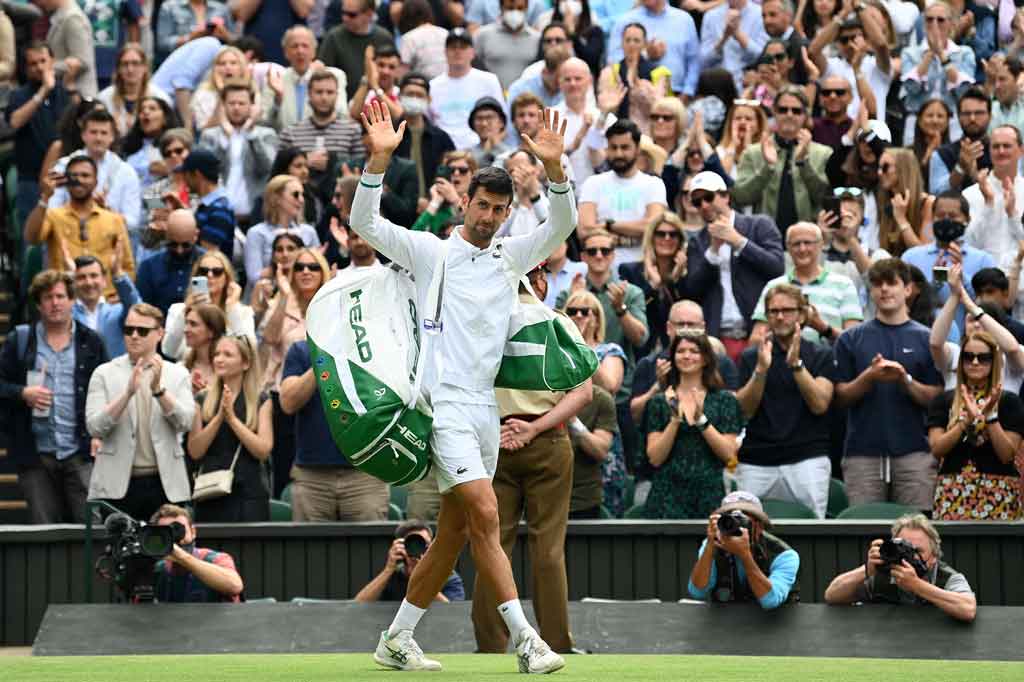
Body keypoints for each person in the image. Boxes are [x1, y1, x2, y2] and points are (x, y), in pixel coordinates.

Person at [354, 101, 572, 673]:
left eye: (500, 209)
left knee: (453, 532)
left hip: (485, 410)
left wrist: (555, 171)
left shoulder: (511, 255)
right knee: (485, 513)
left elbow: (563, 223)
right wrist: (378, 160)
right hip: (443, 406)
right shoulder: (431, 251)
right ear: (465, 201)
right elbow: (366, 225)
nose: (490, 217)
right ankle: (527, 642)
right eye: (482, 205)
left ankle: (396, 639)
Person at [474, 268, 592, 656]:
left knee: (492, 546)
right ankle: (557, 642)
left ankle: (490, 647)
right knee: (549, 550)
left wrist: (500, 427)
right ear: (539, 282)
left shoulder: (481, 322)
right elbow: (584, 392)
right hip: (546, 441)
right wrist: (535, 428)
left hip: (495, 441)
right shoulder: (557, 322)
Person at [833, 258, 945, 509]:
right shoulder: (850, 339)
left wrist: (905, 380)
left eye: (891, 283)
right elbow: (839, 397)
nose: (884, 289)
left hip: (915, 452)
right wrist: (869, 377)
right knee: (863, 532)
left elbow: (937, 399)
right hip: (862, 453)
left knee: (918, 529)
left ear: (908, 289)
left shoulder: (928, 339)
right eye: (877, 284)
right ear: (870, 291)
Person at [0, 271, 107, 524]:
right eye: (48, 297)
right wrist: (22, 393)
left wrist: (100, 434)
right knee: (45, 532)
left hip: (80, 450)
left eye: (61, 296)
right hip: (35, 452)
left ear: (72, 301)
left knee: (90, 530)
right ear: (38, 304)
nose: (55, 303)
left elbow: (107, 390)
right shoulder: (21, 340)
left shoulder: (90, 342)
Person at [86, 303, 194, 521]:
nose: (134, 336)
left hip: (164, 484)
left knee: (168, 554)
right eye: (128, 330)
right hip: (117, 486)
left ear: (159, 334)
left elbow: (186, 422)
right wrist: (126, 394)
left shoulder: (177, 373)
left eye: (142, 331)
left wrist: (159, 392)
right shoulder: (104, 373)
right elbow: (94, 426)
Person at [736, 285, 836, 518]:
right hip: (756, 460)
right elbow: (745, 410)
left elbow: (820, 403)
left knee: (812, 532)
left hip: (807, 458)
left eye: (787, 310)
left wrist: (797, 366)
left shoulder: (820, 354)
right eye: (773, 311)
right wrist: (760, 370)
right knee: (745, 530)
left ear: (802, 314)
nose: (780, 316)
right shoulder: (753, 357)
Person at [280, 337, 390, 521]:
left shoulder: (375, 349)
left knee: (369, 547)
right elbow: (288, 403)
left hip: (365, 475)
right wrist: (322, 358)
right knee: (307, 549)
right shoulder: (301, 350)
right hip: (312, 478)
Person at [680, 171, 785, 359]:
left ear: (726, 196)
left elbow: (777, 267)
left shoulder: (758, 225)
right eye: (697, 202)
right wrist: (712, 251)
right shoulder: (698, 241)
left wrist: (738, 241)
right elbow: (692, 290)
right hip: (717, 337)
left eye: (708, 197)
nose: (704, 205)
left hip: (759, 331)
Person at [640, 333, 745, 519]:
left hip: (708, 495)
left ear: (705, 358)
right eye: (680, 351)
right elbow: (655, 458)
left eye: (694, 351)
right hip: (666, 497)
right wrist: (674, 420)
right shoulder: (658, 402)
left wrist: (701, 420)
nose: (686, 356)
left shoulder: (724, 401)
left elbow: (728, 454)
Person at [927, 329, 1023, 521]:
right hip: (952, 491)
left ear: (994, 362)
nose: (975, 362)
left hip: (999, 491)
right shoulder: (944, 401)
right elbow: (936, 449)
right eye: (969, 357)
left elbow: (1007, 455)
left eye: (984, 358)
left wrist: (990, 417)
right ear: (961, 362)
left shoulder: (1009, 401)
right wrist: (964, 422)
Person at [824, 513, 977, 622]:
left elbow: (967, 609)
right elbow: (832, 595)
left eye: (918, 551)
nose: (910, 557)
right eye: (905, 549)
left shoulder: (947, 576)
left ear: (934, 556)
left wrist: (916, 585)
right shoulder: (882, 572)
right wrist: (867, 570)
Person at [186, 334, 272, 522]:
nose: (219, 359)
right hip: (210, 493)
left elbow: (263, 450)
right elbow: (195, 450)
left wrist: (232, 419)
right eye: (216, 354)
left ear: (245, 363)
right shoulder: (202, 399)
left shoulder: (260, 400)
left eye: (227, 354)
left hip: (249, 495)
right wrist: (219, 417)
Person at [25, 155, 136, 295]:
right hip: (67, 299)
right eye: (74, 175)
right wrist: (45, 198)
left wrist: (120, 296)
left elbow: (128, 265)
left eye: (85, 175)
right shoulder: (54, 216)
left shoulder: (113, 219)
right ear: (66, 180)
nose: (79, 180)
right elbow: (32, 238)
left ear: (96, 181)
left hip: (106, 301)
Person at [732, 86, 832, 237]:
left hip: (807, 242)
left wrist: (803, 163)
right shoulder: (753, 152)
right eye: (783, 110)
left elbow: (824, 198)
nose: (789, 115)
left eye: (796, 111)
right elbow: (740, 196)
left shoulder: (823, 153)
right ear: (774, 111)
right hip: (764, 241)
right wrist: (767, 167)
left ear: (805, 115)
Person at [749, 222, 863, 346]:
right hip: (782, 361)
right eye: (796, 244)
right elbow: (755, 340)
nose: (802, 249)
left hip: (831, 361)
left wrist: (823, 328)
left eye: (808, 243)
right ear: (788, 247)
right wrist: (782, 329)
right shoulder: (774, 286)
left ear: (821, 244)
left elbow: (855, 342)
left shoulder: (844, 284)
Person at [578, 119, 668, 265]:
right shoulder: (593, 183)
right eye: (613, 147)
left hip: (642, 268)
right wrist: (634, 234)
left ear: (637, 149)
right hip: (601, 268)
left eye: (625, 147)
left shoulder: (653, 184)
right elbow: (584, 230)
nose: (618, 153)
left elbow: (653, 226)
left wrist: (608, 225)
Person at [688, 491, 800, 607]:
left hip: (776, 623)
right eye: (730, 520)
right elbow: (697, 592)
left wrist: (745, 555)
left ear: (759, 526)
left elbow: (770, 600)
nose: (736, 527)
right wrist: (710, 547)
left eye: (743, 522)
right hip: (726, 621)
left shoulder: (784, 555)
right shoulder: (712, 545)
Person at [902, 190, 995, 330]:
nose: (946, 220)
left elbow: (989, 308)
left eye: (952, 216)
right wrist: (935, 283)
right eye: (940, 216)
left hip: (969, 343)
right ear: (932, 218)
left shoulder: (983, 260)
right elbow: (904, 301)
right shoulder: (911, 257)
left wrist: (962, 278)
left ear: (967, 219)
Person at [45, 108, 144, 238]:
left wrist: (106, 212)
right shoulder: (63, 167)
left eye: (104, 133)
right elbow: (52, 210)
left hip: (110, 238)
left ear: (112, 137)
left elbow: (132, 223)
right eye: (93, 132)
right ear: (83, 135)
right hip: (69, 234)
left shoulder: (126, 172)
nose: (98, 138)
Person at [5, 42, 74, 226]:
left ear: (52, 61)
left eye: (43, 61)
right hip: (30, 180)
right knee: (29, 241)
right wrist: (43, 91)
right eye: (33, 64)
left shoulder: (63, 93)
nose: (39, 67)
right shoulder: (18, 95)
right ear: (26, 68)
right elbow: (14, 122)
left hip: (61, 179)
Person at [198, 80, 280, 225]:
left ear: (251, 106)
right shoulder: (209, 136)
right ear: (223, 106)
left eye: (242, 103)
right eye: (231, 103)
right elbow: (206, 172)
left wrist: (251, 134)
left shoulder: (266, 134)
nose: (236, 108)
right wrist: (225, 139)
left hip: (255, 216)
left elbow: (268, 167)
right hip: (218, 214)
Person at [279, 70, 365, 201]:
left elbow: (360, 167)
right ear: (309, 95)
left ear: (337, 95)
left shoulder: (352, 130)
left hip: (341, 199)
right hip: (300, 199)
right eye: (319, 92)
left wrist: (333, 162)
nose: (324, 97)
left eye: (329, 92)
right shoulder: (291, 132)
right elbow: (279, 172)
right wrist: (304, 162)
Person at [898, 0, 976, 145]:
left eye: (940, 20)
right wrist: (929, 55)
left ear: (952, 24)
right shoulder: (909, 53)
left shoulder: (964, 53)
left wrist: (941, 55)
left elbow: (963, 92)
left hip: (952, 123)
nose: (934, 24)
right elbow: (911, 88)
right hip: (916, 122)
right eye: (929, 19)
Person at [807, 1, 893, 121]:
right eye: (844, 40)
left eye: (855, 38)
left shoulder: (876, 65)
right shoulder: (832, 65)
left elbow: (881, 45)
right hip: (837, 132)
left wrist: (858, 7)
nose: (849, 44)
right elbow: (813, 51)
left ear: (866, 39)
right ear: (838, 44)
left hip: (871, 132)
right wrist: (844, 13)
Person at [162, 251, 255, 360]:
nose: (209, 275)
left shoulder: (242, 312)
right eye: (203, 271)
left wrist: (231, 309)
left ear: (227, 278)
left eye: (217, 272)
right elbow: (169, 351)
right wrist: (185, 312)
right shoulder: (178, 310)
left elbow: (248, 352)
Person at [618, 211, 687, 356]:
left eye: (673, 234)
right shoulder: (630, 271)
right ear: (651, 237)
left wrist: (674, 279)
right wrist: (653, 286)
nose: (667, 238)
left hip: (679, 351)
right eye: (660, 234)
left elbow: (685, 311)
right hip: (641, 352)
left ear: (680, 240)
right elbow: (632, 310)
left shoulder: (687, 274)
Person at [428, 28, 506, 150]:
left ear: (473, 52)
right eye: (453, 47)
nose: (458, 51)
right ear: (445, 52)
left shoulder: (489, 80)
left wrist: (489, 149)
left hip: (481, 150)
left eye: (463, 47)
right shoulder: (433, 86)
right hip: (444, 152)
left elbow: (502, 121)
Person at [150, 504, 244, 603]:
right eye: (166, 533)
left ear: (193, 532)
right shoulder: (160, 569)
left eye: (177, 530)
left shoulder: (216, 559)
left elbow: (235, 586)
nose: (173, 538)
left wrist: (181, 556)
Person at [262, 26, 349, 132]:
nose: (300, 51)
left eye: (305, 46)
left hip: (325, 141)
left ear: (314, 51)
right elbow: (266, 122)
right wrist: (277, 99)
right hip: (287, 144)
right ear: (286, 52)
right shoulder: (276, 79)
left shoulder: (334, 76)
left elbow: (342, 115)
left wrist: (320, 81)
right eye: (294, 46)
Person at [355, 521, 466, 602]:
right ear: (401, 546)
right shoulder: (391, 574)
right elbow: (358, 605)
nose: (418, 548)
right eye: (412, 544)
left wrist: (421, 579)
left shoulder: (446, 575)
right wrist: (388, 570)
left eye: (424, 544)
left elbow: (452, 611)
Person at [964, 127, 1024, 272]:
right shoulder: (970, 194)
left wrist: (1012, 216)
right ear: (989, 151)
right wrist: (988, 205)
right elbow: (968, 244)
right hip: (983, 281)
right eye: (996, 146)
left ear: (1021, 150)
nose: (1001, 151)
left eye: (1007, 146)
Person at [244, 175, 321, 286]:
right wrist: (284, 265)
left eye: (302, 195)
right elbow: (254, 277)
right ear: (277, 198)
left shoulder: (309, 232)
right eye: (295, 195)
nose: (301, 200)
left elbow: (318, 270)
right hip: (267, 297)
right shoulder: (256, 233)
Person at [393, 73, 456, 202]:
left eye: (419, 95)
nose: (414, 99)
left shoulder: (441, 138)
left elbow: (450, 176)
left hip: (432, 210)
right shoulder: (390, 134)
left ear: (429, 99)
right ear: (399, 97)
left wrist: (432, 201)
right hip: (394, 210)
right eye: (410, 94)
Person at [317, 0, 394, 100]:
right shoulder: (334, 37)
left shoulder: (384, 37)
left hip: (377, 101)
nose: (345, 18)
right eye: (343, 13)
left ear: (369, 14)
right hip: (343, 103)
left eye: (351, 15)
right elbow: (324, 74)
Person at [136, 209, 206, 316]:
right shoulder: (149, 267)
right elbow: (142, 310)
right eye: (173, 244)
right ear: (166, 235)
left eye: (186, 245)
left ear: (195, 236)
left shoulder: (209, 264)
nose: (179, 250)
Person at [71, 254, 141, 359]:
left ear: (104, 280)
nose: (89, 283)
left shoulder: (117, 313)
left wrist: (118, 275)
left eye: (94, 276)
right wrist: (68, 276)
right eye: (81, 277)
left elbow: (136, 308)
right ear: (74, 282)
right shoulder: (67, 314)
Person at [170, 148, 236, 257]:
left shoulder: (220, 208)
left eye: (186, 174)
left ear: (197, 174)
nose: (184, 180)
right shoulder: (209, 205)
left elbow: (207, 254)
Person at [97, 44, 172, 136]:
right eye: (125, 64)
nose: (130, 69)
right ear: (118, 68)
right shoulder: (104, 98)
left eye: (135, 63)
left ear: (145, 67)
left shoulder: (160, 97)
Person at [149, 36, 221, 131]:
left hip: (170, 104)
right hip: (159, 96)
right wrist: (188, 125)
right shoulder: (212, 45)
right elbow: (181, 83)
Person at [929, 88, 992, 195]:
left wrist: (976, 177)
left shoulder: (1004, 149)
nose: (972, 118)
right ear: (958, 116)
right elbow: (936, 193)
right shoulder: (942, 154)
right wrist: (960, 167)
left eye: (979, 113)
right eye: (967, 113)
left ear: (990, 116)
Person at [699, 0, 769, 91]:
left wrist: (738, 34)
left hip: (750, 85)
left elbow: (764, 57)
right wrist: (724, 38)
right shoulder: (711, 16)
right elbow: (703, 60)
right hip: (716, 85)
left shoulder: (761, 14)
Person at [875, 147, 932, 257]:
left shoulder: (928, 203)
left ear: (903, 169)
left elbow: (924, 255)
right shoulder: (886, 202)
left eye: (885, 167)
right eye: (879, 167)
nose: (880, 173)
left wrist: (901, 219)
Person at [474, 0, 541, 90]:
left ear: (526, 9)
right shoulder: (483, 35)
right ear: (501, 8)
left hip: (525, 99)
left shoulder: (537, 39)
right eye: (510, 8)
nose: (515, 12)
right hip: (491, 98)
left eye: (520, 8)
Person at [38, 0, 98, 97]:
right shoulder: (62, 17)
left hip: (80, 96)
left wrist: (47, 68)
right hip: (64, 95)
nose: (41, 2)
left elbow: (82, 61)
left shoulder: (73, 18)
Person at [190, 45, 256, 132]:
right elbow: (205, 132)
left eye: (233, 63)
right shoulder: (203, 93)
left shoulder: (253, 89)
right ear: (214, 69)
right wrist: (223, 93)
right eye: (222, 64)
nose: (227, 67)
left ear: (242, 67)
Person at [155, 0, 234, 63]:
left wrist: (224, 35)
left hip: (215, 62)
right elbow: (163, 43)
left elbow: (235, 42)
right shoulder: (169, 7)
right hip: (182, 61)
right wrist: (190, 38)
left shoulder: (221, 8)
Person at [398, 0, 449, 80]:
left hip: (423, 87)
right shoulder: (446, 33)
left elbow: (402, 74)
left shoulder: (409, 38)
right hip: (447, 84)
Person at [181, 303, 226, 395]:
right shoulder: (182, 366)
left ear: (211, 332)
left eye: (193, 324)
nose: (186, 329)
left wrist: (206, 395)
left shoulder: (227, 369)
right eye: (186, 323)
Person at [468, 96, 511, 167]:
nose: (484, 124)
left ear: (501, 122)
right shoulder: (468, 155)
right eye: (479, 118)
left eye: (489, 118)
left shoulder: (514, 152)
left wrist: (496, 145)